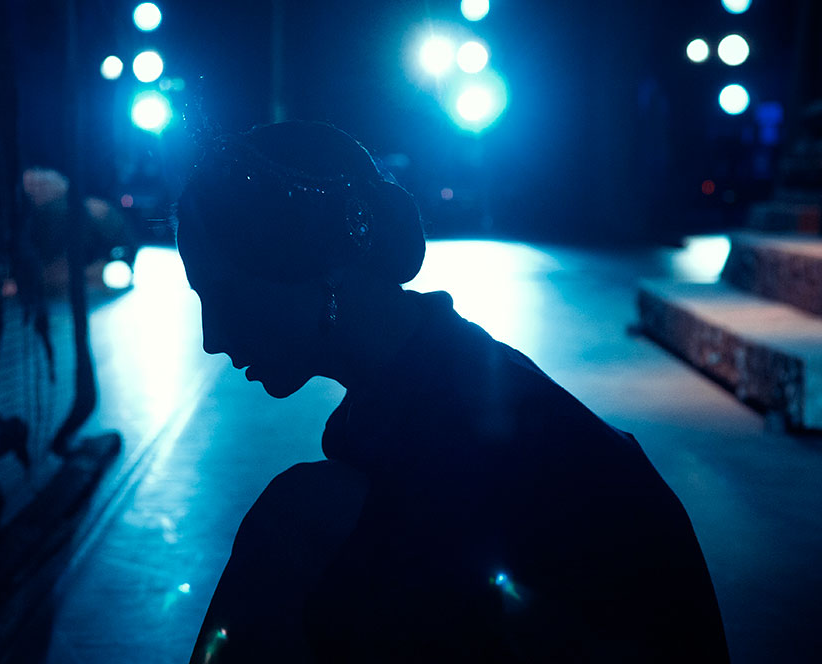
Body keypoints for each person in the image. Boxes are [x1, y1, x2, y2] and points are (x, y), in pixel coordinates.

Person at [176, 121, 729, 663]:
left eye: (224, 295)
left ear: (324, 267)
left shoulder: (471, 442)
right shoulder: (439, 392)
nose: (212, 338)